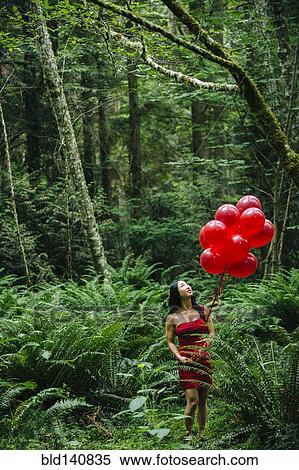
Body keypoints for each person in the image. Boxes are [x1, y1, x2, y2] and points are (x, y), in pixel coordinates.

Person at [165, 280, 215, 442]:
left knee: (203, 400)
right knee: (193, 400)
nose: (187, 286)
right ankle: (188, 434)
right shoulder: (172, 317)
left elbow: (212, 334)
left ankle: (201, 433)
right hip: (186, 361)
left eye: (187, 284)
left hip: (204, 360)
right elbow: (170, 341)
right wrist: (179, 357)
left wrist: (204, 348)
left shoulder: (203, 310)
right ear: (176, 293)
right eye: (182, 285)